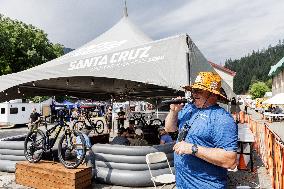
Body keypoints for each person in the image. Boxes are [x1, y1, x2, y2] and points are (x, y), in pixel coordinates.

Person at [165, 72, 238, 189]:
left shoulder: (222, 119)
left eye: (199, 90)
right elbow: (169, 128)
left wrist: (193, 148)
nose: (194, 94)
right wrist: (174, 111)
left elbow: (230, 161)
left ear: (213, 94)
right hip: (181, 184)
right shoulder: (189, 108)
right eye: (193, 90)